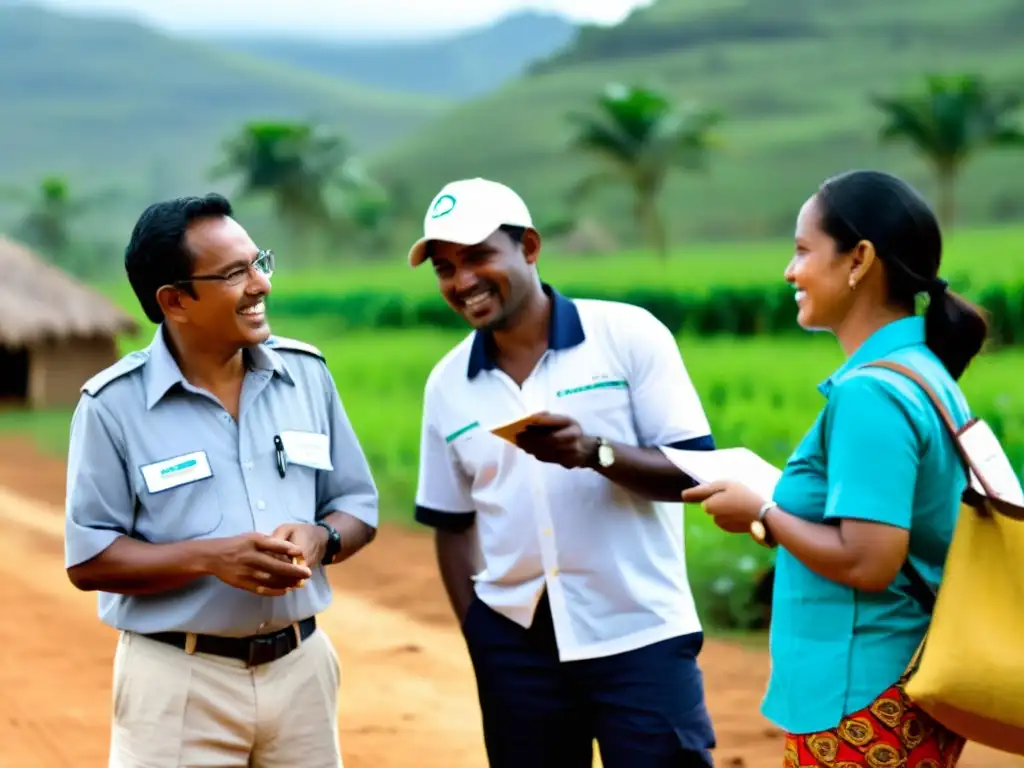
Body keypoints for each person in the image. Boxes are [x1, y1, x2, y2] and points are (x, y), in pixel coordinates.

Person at [409, 177, 718, 767]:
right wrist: (479, 632)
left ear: (528, 247)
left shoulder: (627, 336)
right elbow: (451, 523)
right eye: (445, 267)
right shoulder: (447, 384)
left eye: (478, 256)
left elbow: (694, 473)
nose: (462, 280)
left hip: (640, 633)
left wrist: (596, 452)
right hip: (515, 648)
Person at [683, 169, 988, 766]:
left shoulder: (870, 394)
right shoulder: (923, 371)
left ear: (860, 259)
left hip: (862, 697)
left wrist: (763, 512)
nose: (790, 271)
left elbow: (869, 560)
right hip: (901, 683)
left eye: (802, 250)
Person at [63, 193, 379, 768]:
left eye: (260, 263)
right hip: (177, 682)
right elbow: (90, 561)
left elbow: (355, 505)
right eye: (235, 273)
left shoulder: (306, 377)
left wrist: (321, 538)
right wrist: (211, 558)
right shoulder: (113, 406)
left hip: (302, 670)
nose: (261, 285)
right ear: (175, 300)